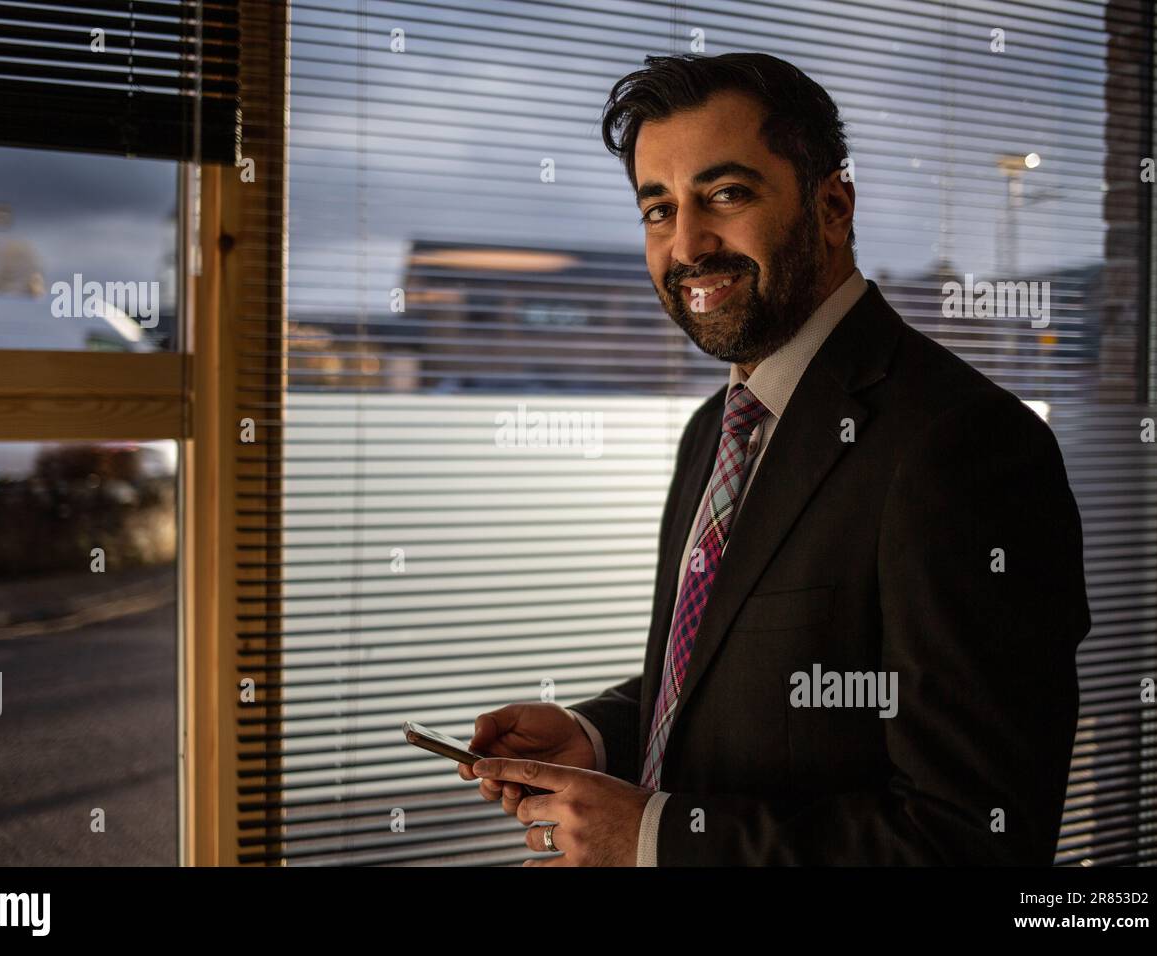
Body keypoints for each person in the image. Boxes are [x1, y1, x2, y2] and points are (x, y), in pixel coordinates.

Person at [457, 52, 1090, 866]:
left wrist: (652, 840)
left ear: (832, 205)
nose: (686, 244)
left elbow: (970, 838)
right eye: (658, 208)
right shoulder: (712, 429)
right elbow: (726, 672)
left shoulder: (966, 447)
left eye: (725, 194)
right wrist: (595, 735)